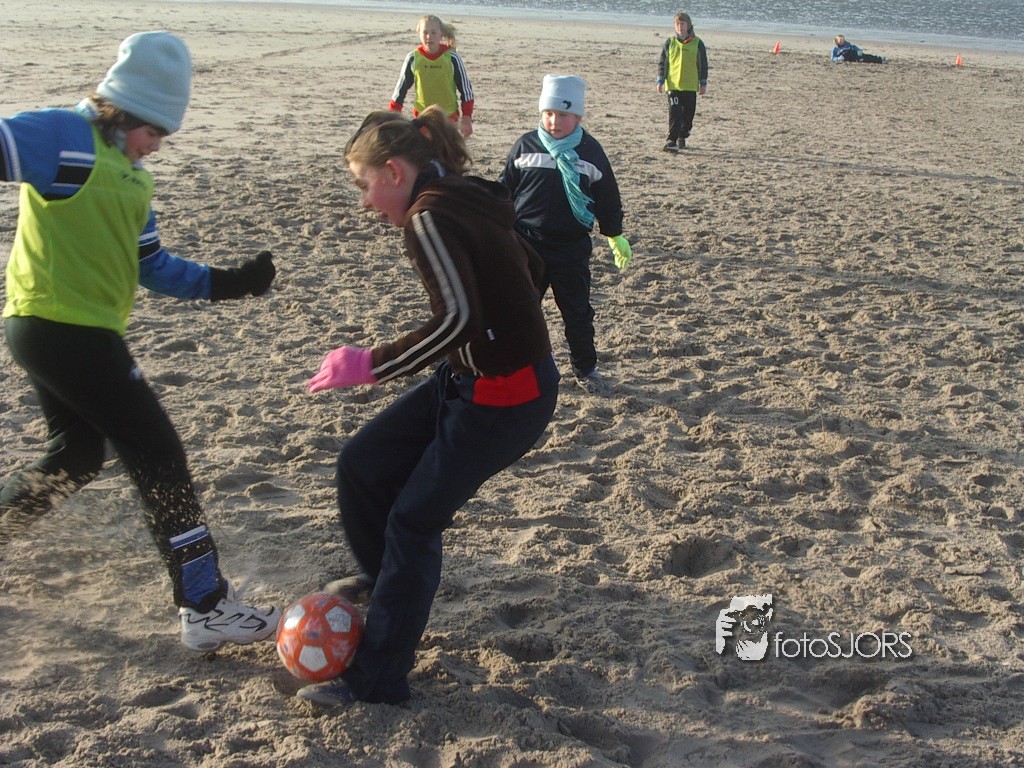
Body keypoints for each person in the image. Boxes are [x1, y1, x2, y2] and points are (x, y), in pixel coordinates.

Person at [0, 31, 281, 651]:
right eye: (153, 131)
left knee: (77, 456)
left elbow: (151, 265)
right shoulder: (62, 136)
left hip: (64, 333)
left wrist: (231, 283)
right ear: (123, 109)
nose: (155, 145)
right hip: (60, 328)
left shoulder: (133, 177)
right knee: (158, 455)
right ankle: (205, 606)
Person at [299, 106, 559, 707]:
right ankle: (385, 582)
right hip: (469, 379)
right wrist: (503, 324)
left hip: (505, 398)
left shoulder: (429, 215)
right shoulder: (462, 192)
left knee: (413, 523)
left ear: (394, 171)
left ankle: (378, 679)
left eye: (364, 184)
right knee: (362, 464)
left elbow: (457, 320)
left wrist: (370, 364)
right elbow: (533, 267)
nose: (365, 202)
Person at [498, 75, 631, 396]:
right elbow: (504, 191)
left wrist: (614, 234)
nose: (554, 121)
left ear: (578, 117)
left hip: (571, 248)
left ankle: (585, 368)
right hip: (527, 244)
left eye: (563, 114)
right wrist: (495, 227)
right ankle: (514, 365)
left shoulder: (590, 152)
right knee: (520, 310)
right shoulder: (526, 145)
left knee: (577, 313)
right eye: (548, 113)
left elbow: (608, 197)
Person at [389, 15, 475, 138]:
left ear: (441, 34)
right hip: (422, 118)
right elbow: (400, 91)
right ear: (418, 32)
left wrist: (467, 118)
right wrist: (392, 117)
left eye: (433, 32)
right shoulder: (413, 59)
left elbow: (466, 90)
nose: (429, 36)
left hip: (448, 119)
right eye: (425, 32)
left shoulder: (452, 58)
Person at [657, 12, 708, 152]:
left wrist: (703, 83)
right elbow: (663, 62)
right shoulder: (670, 42)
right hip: (673, 85)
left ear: (688, 25)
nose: (680, 27)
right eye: (678, 24)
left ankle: (682, 135)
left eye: (683, 24)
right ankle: (671, 141)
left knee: (688, 116)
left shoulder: (697, 43)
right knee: (675, 113)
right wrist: (660, 79)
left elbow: (703, 64)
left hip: (690, 86)